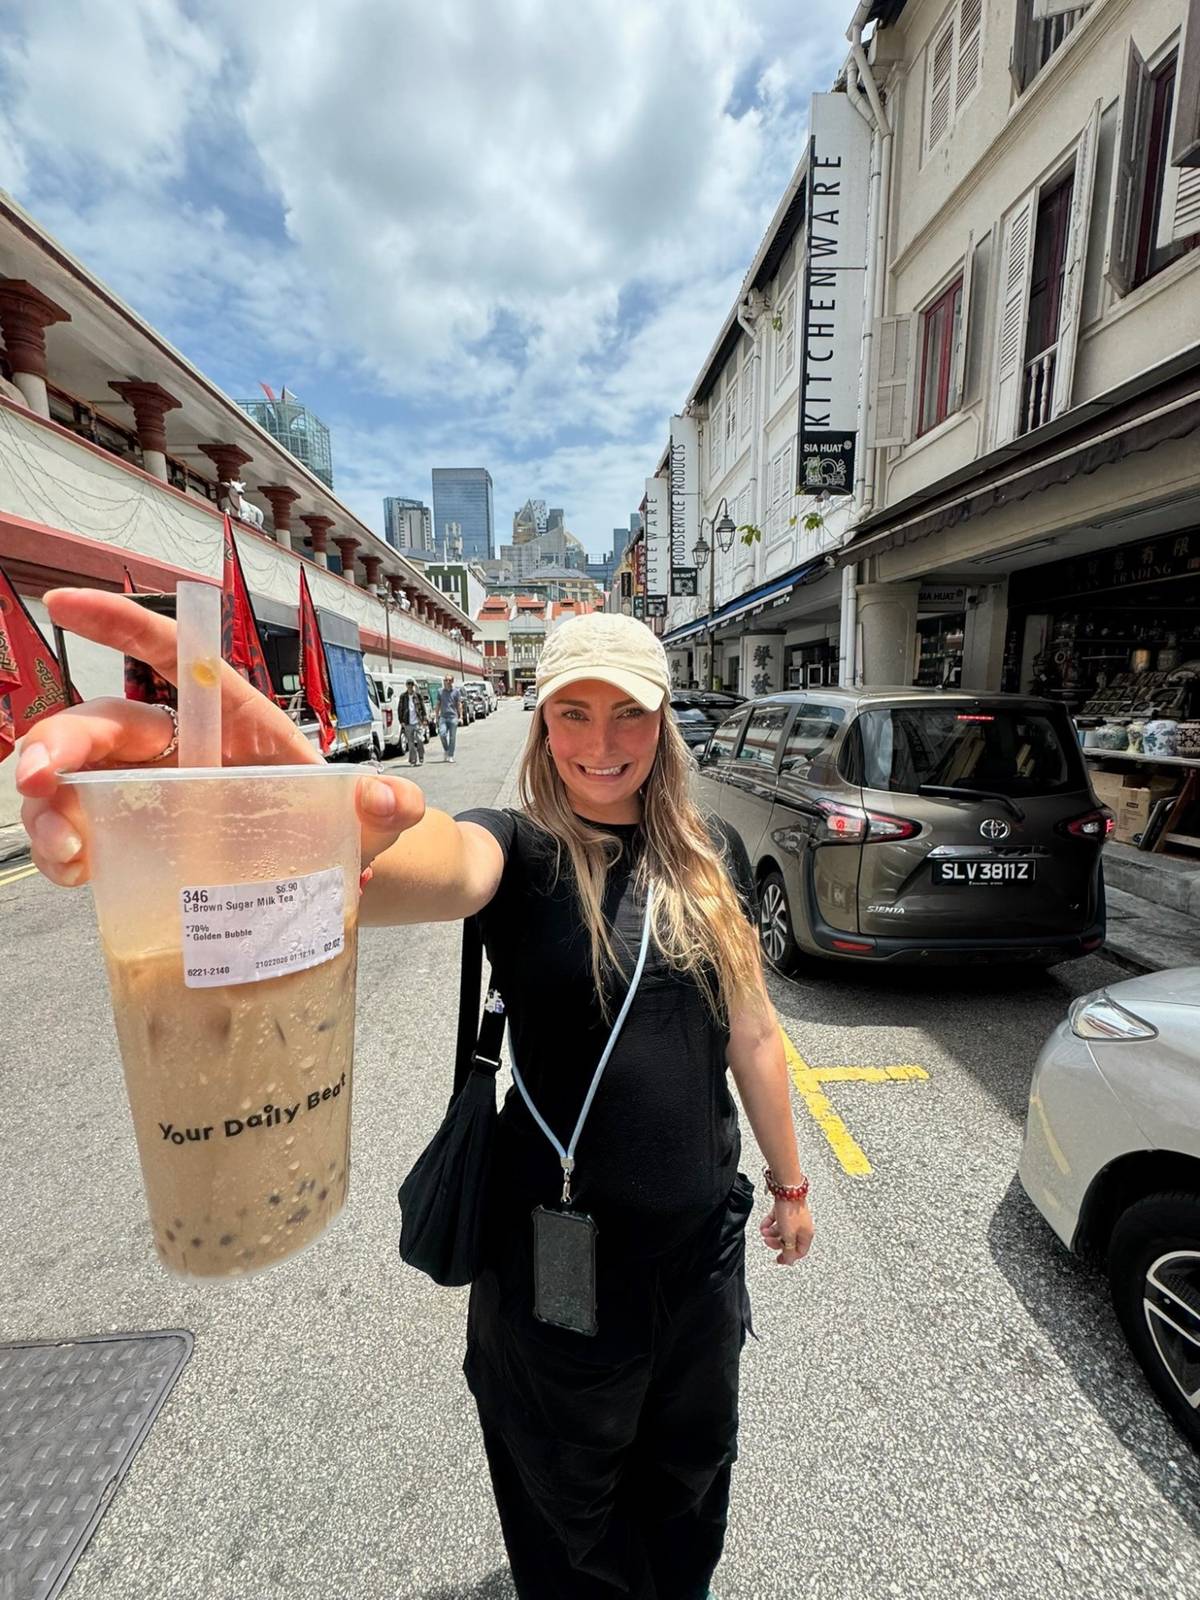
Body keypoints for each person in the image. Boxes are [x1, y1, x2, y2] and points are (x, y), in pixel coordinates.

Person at [17, 595, 814, 1600]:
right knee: (567, 1511)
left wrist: (789, 1186)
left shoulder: (704, 867)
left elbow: (752, 1031)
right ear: (540, 722)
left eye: (630, 713)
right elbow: (417, 862)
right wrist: (274, 816)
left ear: (663, 725)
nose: (602, 741)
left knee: (694, 1478)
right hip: (557, 1277)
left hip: (701, 1261)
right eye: (574, 712)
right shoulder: (520, 854)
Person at [398, 677, 428, 766]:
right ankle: (413, 760)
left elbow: (422, 707)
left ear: (413, 686)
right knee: (410, 743)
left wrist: (424, 719)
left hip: (417, 721)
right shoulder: (403, 697)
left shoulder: (417, 695)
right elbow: (400, 709)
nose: (410, 686)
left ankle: (421, 756)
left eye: (411, 684)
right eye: (408, 684)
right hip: (407, 723)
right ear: (406, 686)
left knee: (419, 740)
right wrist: (401, 721)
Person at [436, 673, 462, 762]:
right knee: (442, 734)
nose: (447, 682)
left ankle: (450, 755)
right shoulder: (440, 691)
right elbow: (438, 704)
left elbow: (459, 704)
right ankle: (446, 750)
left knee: (452, 737)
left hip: (453, 717)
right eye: (446, 680)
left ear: (452, 681)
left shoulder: (456, 692)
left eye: (449, 680)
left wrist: (460, 716)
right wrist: (436, 717)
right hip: (443, 717)